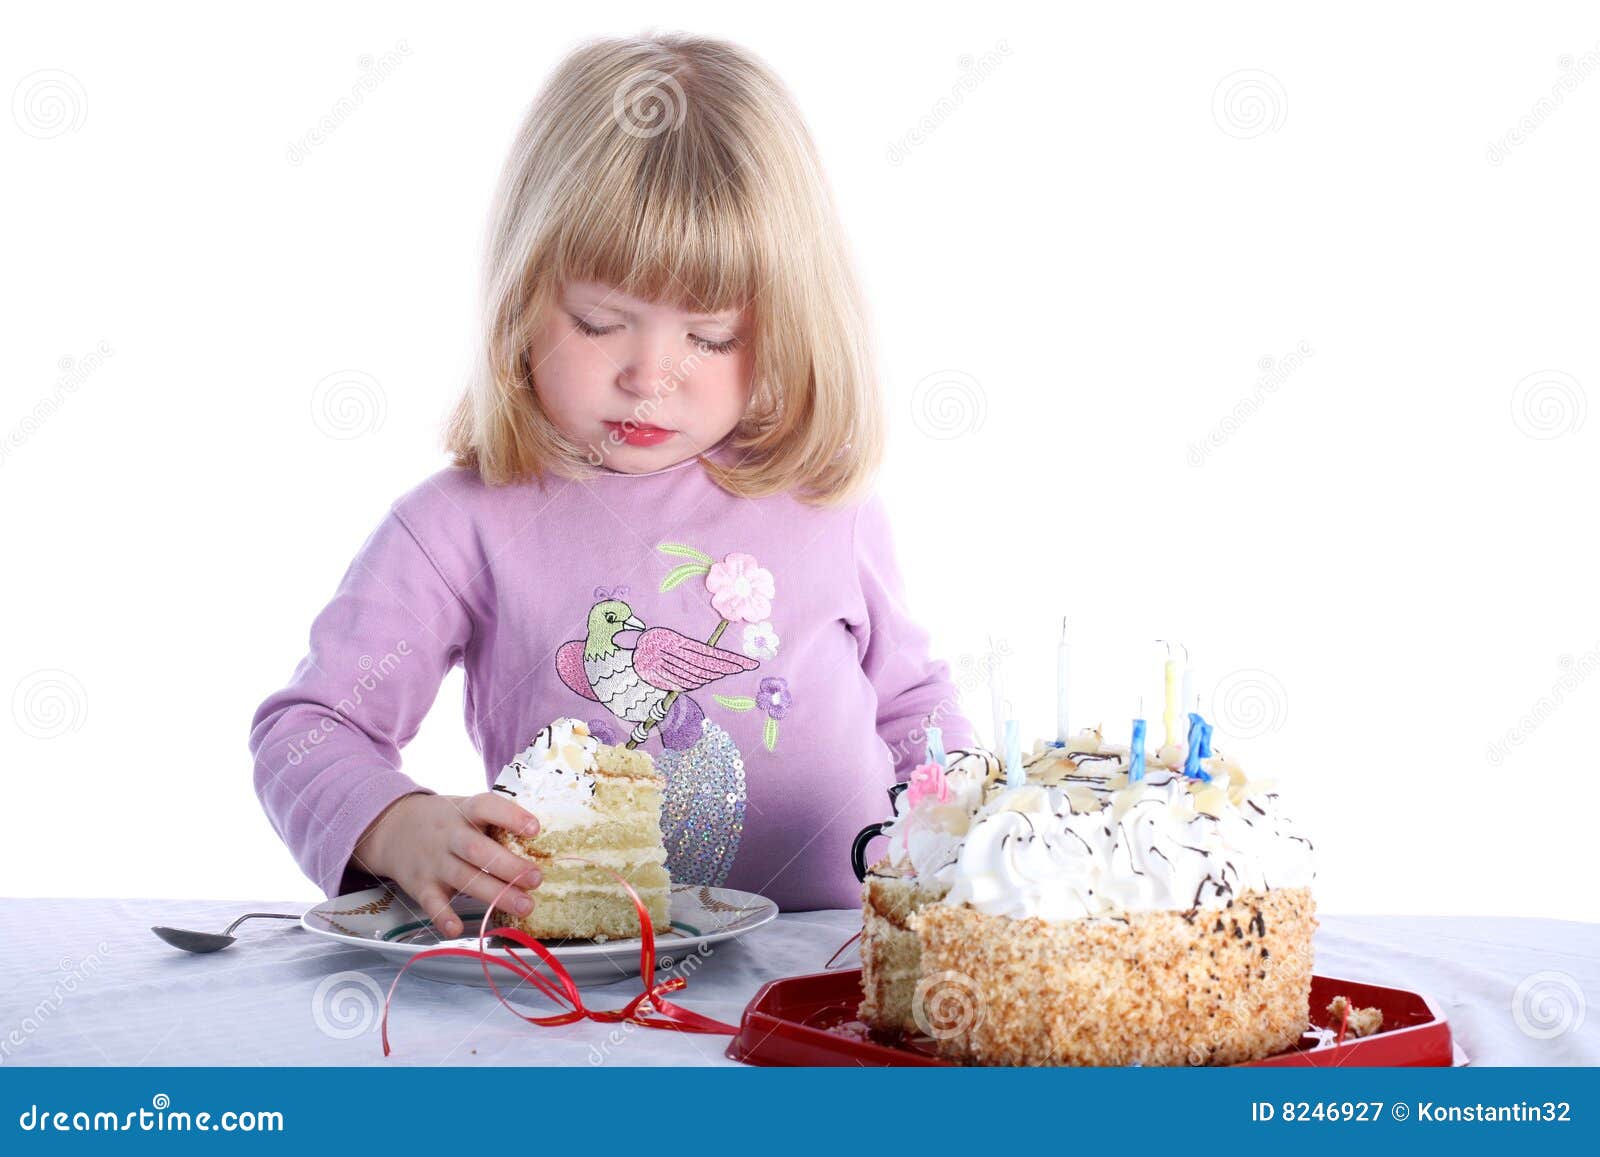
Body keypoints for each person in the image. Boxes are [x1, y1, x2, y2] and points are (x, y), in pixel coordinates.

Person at [249, 32, 974, 938]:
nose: (649, 374)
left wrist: (966, 846)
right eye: (599, 322)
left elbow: (916, 712)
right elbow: (306, 730)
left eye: (708, 336)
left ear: (787, 325)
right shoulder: (461, 526)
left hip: (834, 971)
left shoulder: (827, 501)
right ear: (520, 298)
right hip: (576, 986)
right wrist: (395, 825)